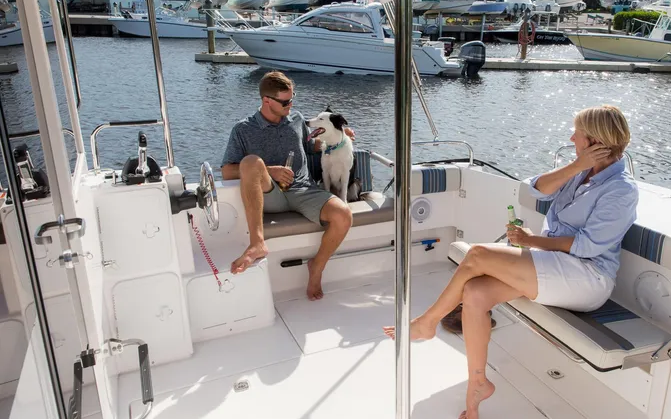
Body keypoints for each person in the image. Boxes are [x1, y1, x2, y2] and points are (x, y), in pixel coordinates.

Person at [383, 105, 638, 419]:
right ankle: (478, 384)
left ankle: (428, 322)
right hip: (554, 264)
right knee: (475, 293)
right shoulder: (580, 174)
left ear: (596, 141)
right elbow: (533, 190)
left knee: (477, 255)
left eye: (578, 134)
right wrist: (576, 166)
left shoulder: (621, 190)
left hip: (588, 278)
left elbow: (587, 246)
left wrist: (531, 241)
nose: (571, 137)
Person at [221, 71, 354, 300]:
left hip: (303, 189)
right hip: (269, 193)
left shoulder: (297, 119)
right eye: (285, 102)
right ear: (266, 101)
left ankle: (317, 267)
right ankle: (257, 244)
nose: (290, 105)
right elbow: (227, 170)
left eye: (293, 99)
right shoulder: (242, 129)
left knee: (344, 215)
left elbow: (312, 146)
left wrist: (339, 136)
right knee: (251, 162)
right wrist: (269, 170)